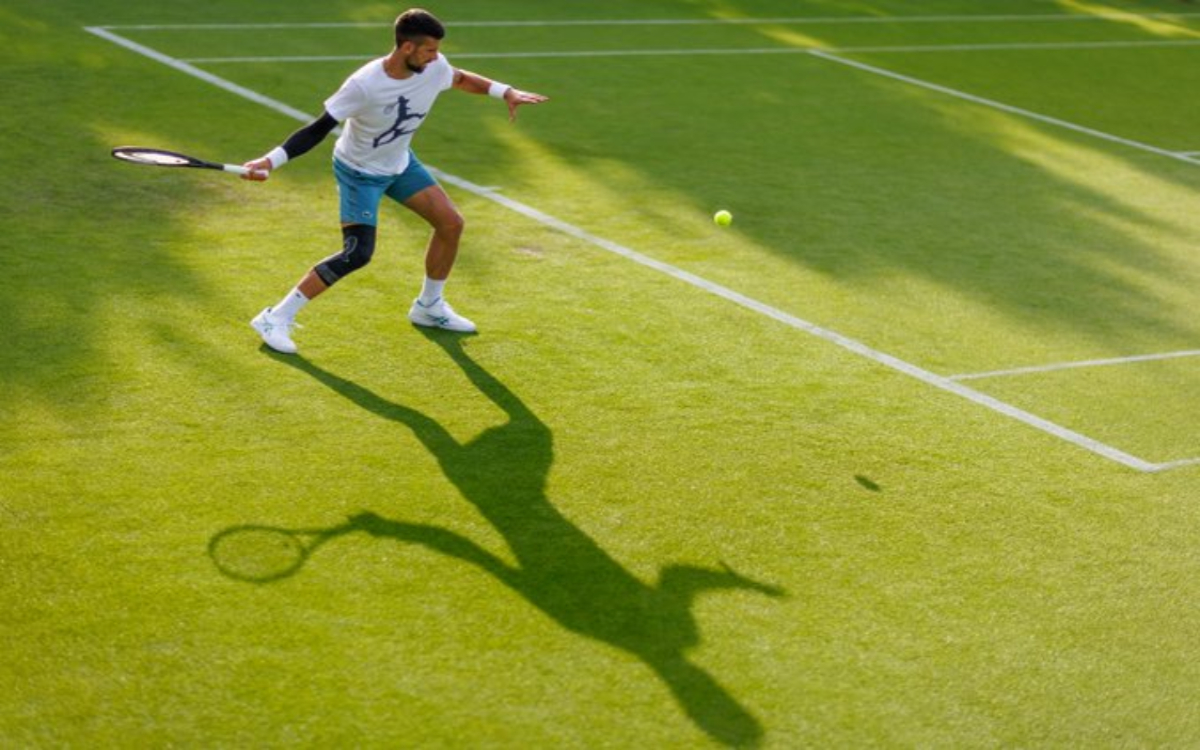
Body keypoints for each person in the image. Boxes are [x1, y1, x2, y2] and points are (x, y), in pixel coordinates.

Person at [243, 8, 548, 354]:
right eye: (429, 50)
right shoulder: (364, 85)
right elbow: (317, 129)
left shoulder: (433, 68)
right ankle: (275, 317)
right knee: (357, 254)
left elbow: (461, 79)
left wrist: (504, 91)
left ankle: (429, 307)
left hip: (400, 164)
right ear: (407, 48)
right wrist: (271, 160)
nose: (436, 58)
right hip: (359, 172)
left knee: (450, 223)